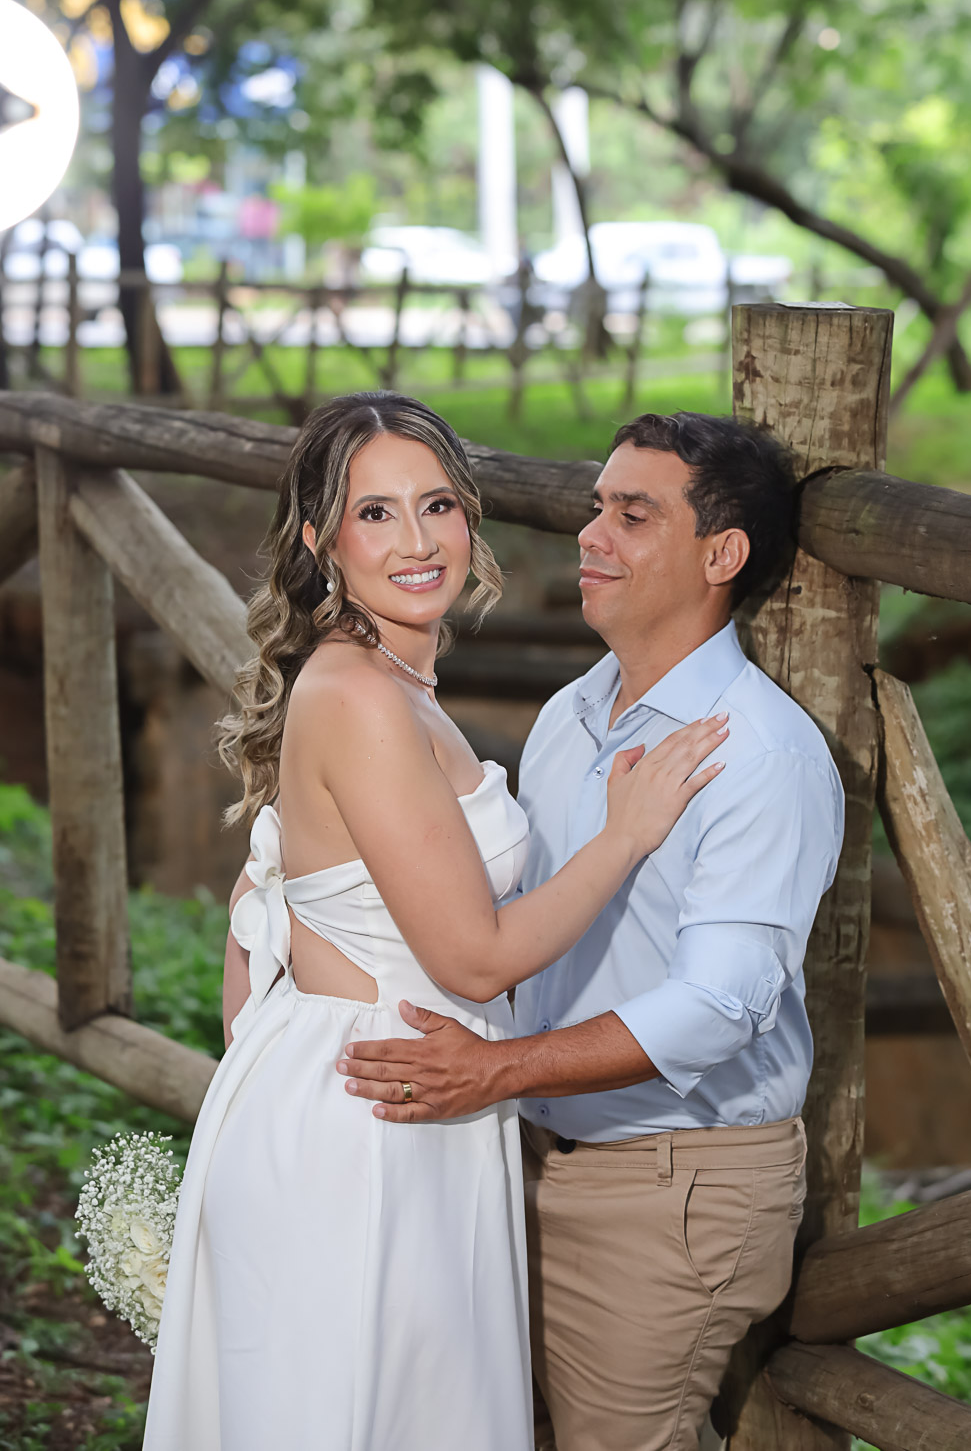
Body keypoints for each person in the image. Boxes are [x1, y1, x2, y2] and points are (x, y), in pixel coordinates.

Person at [142, 392, 727, 1451]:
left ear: (469, 517)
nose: (416, 542)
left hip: (392, 1094)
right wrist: (625, 835)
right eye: (375, 514)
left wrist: (271, 1049)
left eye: (437, 505)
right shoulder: (360, 697)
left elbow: (257, 893)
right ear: (320, 541)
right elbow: (471, 957)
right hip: (373, 1119)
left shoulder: (387, 679)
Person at [337, 410, 845, 1451]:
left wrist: (495, 1071)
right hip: (519, 1150)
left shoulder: (763, 758)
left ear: (721, 555)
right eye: (595, 506)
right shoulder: (574, 713)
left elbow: (717, 1008)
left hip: (669, 1184)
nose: (590, 534)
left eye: (632, 515)